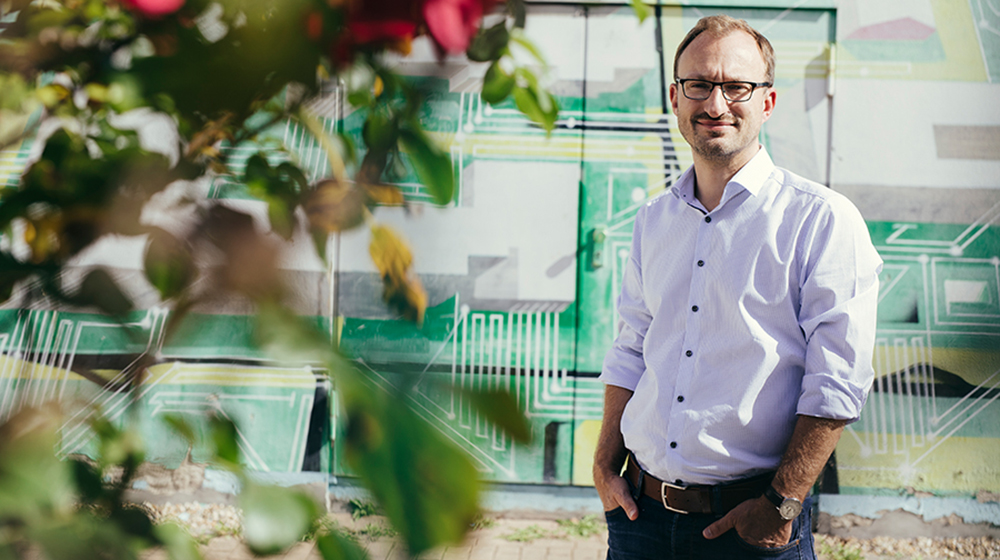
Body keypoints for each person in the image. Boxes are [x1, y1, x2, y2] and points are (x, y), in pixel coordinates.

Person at [593, 14, 882, 560]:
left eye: (737, 86)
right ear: (675, 98)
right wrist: (605, 463)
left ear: (767, 102)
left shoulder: (821, 221)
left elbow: (838, 381)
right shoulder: (653, 220)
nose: (716, 104)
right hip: (639, 518)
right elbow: (633, 344)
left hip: (750, 527)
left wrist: (783, 505)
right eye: (699, 85)